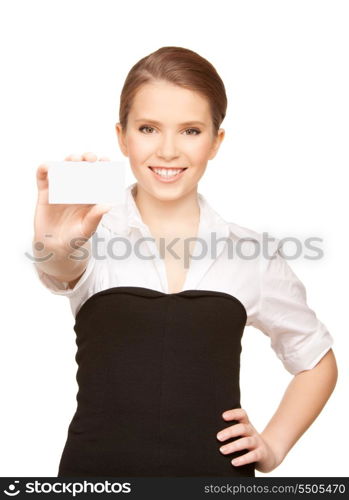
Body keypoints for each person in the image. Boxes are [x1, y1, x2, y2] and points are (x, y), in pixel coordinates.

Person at [32, 46, 337, 477]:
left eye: (191, 131)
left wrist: (273, 445)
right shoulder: (92, 231)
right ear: (122, 136)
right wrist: (56, 245)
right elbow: (62, 269)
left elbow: (315, 360)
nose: (169, 150)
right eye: (148, 128)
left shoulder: (252, 254)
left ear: (216, 141)